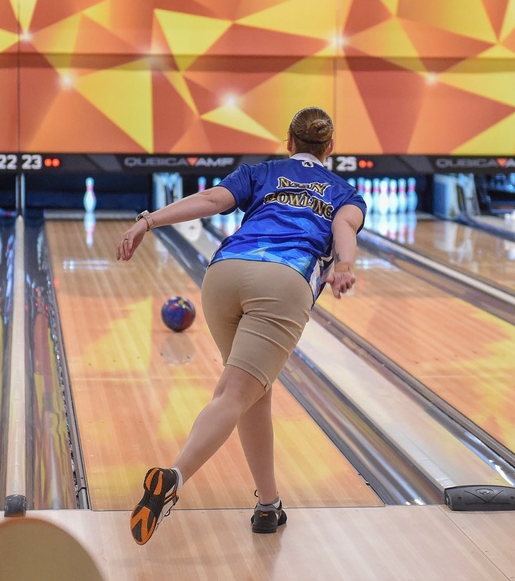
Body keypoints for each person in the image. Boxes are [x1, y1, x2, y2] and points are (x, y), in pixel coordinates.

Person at [115, 107, 366, 545]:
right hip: (282, 281)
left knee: (253, 394)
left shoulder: (262, 172)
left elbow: (211, 201)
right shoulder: (344, 191)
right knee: (236, 393)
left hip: (223, 274)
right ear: (329, 148)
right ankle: (174, 477)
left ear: (289, 142)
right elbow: (345, 227)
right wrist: (344, 264)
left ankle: (268, 505)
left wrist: (148, 220)